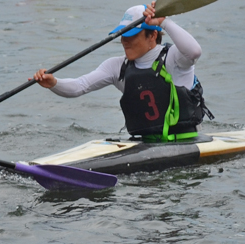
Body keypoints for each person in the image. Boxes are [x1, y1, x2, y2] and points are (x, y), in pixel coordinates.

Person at [32, 1, 212, 142]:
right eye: (123, 35)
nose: (125, 40)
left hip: (187, 141)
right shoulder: (117, 67)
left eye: (132, 35)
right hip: (145, 144)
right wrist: (53, 83)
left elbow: (194, 51)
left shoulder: (173, 58)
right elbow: (80, 86)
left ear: (152, 35)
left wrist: (164, 21)